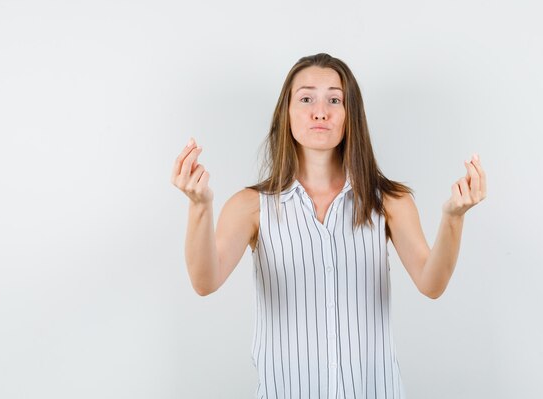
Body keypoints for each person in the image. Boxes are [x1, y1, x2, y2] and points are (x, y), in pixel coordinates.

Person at [171, 53, 486, 399]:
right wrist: (199, 205)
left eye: (334, 100)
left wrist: (454, 217)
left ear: (351, 115)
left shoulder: (390, 202)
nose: (320, 111)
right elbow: (204, 281)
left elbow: (432, 282)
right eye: (306, 98)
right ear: (286, 113)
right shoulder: (250, 206)